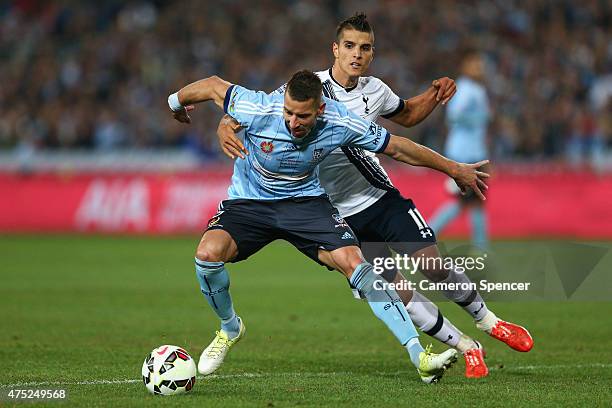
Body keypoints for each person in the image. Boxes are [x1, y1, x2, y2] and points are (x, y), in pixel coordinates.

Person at [217, 13, 532, 379]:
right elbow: (257, 113)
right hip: (337, 216)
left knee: (432, 264)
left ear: (372, 53)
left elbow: (408, 116)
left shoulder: (375, 89)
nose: (356, 54)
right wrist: (225, 123)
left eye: (364, 48)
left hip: (379, 198)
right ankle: (466, 346)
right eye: (349, 46)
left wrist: (434, 94)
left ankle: (489, 321)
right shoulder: (309, 89)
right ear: (335, 49)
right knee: (396, 291)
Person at [168, 70, 490, 383]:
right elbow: (212, 86)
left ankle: (418, 355)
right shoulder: (258, 106)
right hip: (250, 202)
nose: (293, 123)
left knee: (358, 266)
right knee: (206, 256)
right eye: (289, 113)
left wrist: (452, 168)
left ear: (320, 110)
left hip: (305, 203)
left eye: (303, 117)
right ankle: (229, 328)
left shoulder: (340, 121)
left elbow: (397, 147)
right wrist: (175, 103)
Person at [429, 52, 491, 250]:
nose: (480, 68)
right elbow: (454, 116)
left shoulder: (471, 88)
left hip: (469, 151)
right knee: (472, 200)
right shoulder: (468, 89)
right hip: (467, 154)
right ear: (466, 66)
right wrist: (478, 119)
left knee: (468, 201)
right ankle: (429, 231)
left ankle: (429, 232)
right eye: (476, 64)